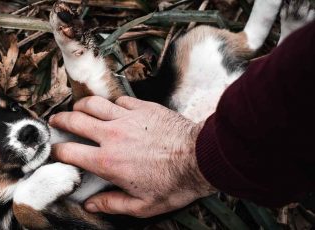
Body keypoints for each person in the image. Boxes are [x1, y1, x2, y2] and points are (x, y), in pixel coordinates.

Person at [48, 21, 315, 218]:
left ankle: (270, 35)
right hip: (247, 117)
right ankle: (275, 37)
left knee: (199, 45)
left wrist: (191, 160)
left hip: (205, 111)